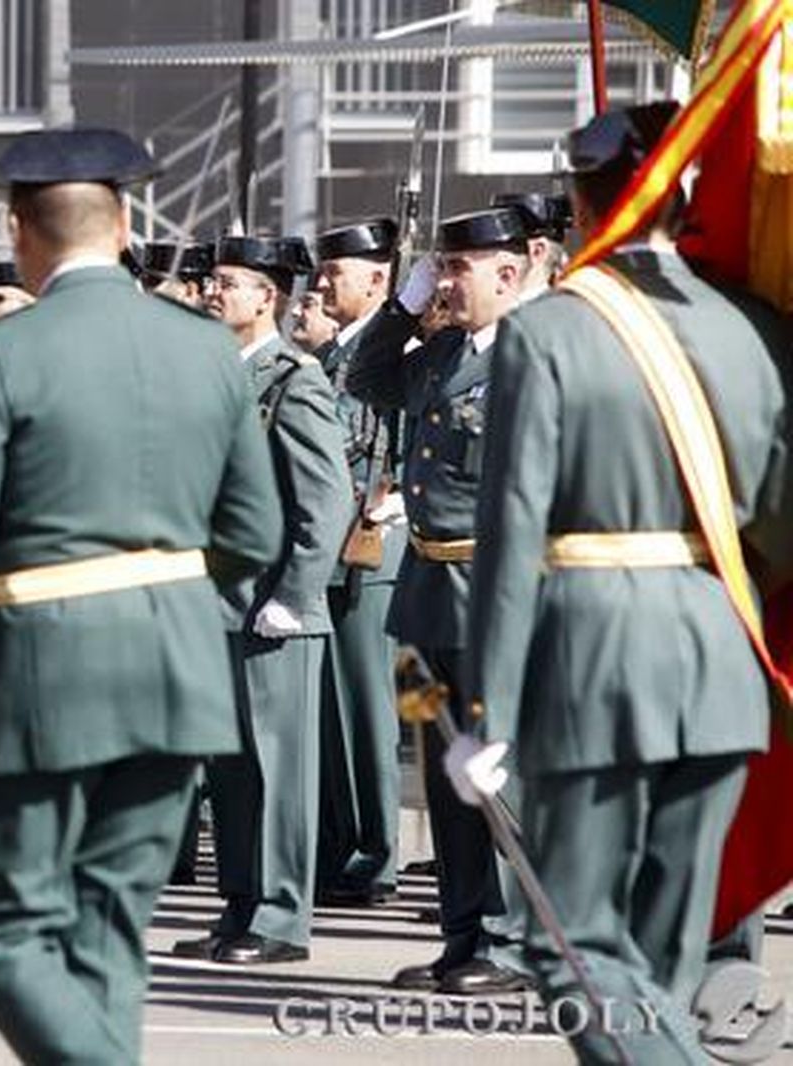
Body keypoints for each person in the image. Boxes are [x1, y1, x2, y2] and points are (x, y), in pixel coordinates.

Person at [0, 127, 283, 1064]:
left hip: (44, 673)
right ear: (127, 220)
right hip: (178, 673)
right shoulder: (206, 347)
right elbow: (257, 531)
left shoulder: (3, 352)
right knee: (108, 927)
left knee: (8, 929)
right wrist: (173, 592)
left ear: (19, 229)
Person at [459, 102, 793, 1063]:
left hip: (598, 666)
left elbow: (513, 532)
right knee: (658, 964)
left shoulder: (552, 331)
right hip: (724, 668)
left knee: (570, 946)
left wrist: (489, 711)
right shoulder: (753, 326)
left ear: (577, 200)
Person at [347, 207, 535, 996]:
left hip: (493, 588)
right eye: (442, 268)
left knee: (497, 773)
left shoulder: (535, 355)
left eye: (460, 268)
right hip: (429, 586)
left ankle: (512, 938)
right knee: (446, 770)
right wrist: (400, 304)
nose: (447, 283)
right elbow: (365, 378)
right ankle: (464, 931)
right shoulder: (441, 353)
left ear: (511, 271)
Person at [171, 234, 352, 965]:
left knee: (278, 773)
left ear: (265, 298)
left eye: (228, 284)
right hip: (216, 604)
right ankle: (241, 904)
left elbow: (326, 502)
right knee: (234, 772)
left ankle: (280, 918)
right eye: (212, 282)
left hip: (272, 611)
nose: (213, 294)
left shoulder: (293, 380)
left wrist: (295, 594)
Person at [310, 218, 406, 908]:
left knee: (368, 711)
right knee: (336, 710)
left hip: (372, 544)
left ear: (378, 280)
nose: (320, 283)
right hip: (331, 543)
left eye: (334, 272)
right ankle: (345, 843)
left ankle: (377, 855)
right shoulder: (328, 356)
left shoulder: (394, 348)